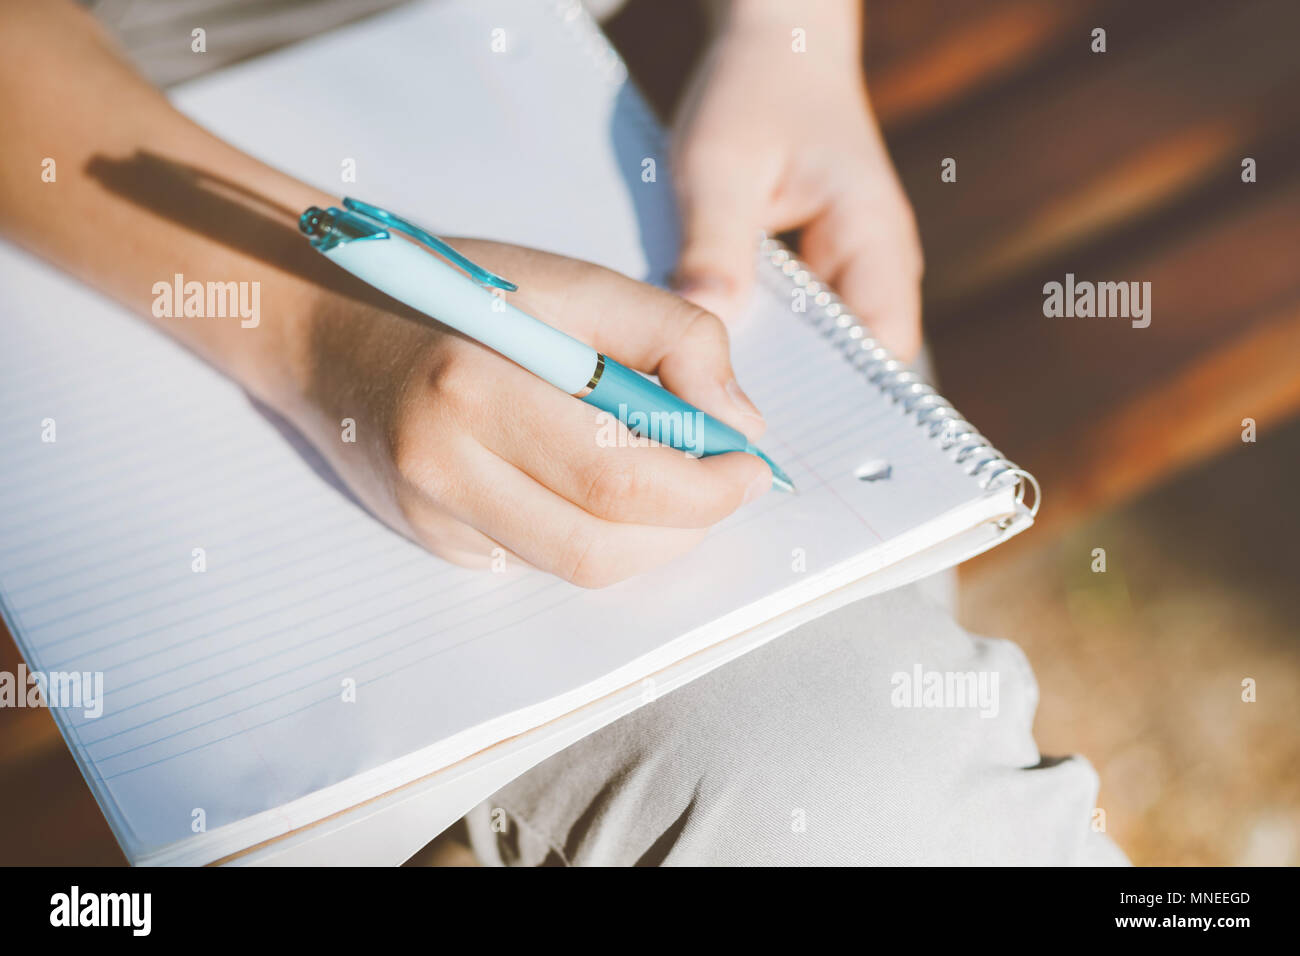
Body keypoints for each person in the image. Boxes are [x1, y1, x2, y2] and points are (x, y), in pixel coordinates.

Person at [0, 0, 1124, 865]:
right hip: (107, 185)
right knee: (874, 790)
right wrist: (316, 321)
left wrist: (792, 44)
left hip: (579, 97)